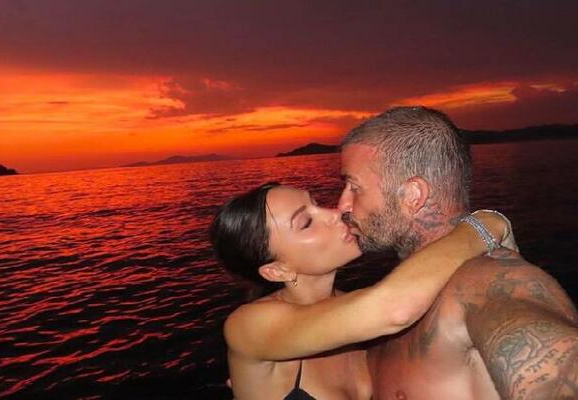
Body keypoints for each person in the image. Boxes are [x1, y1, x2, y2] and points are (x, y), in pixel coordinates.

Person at [338, 106, 578, 400]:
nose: (342, 205)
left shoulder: (486, 281)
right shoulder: (392, 305)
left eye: (354, 187)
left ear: (413, 196)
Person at [210, 181, 512, 400]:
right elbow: (393, 309)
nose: (334, 213)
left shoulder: (358, 314)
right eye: (306, 222)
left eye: (317, 202)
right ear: (278, 271)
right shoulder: (247, 327)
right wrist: (483, 227)